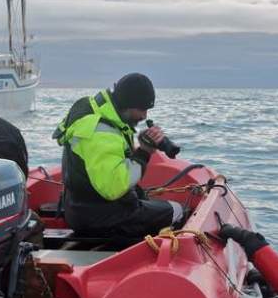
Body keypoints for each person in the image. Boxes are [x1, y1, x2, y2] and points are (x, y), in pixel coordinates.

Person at [54, 72, 183, 239]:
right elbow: (114, 188)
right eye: (142, 109)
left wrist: (140, 146)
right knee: (178, 210)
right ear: (128, 103)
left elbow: (112, 160)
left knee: (154, 205)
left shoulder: (100, 115)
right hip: (103, 219)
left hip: (80, 211)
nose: (145, 116)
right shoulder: (100, 132)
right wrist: (144, 152)